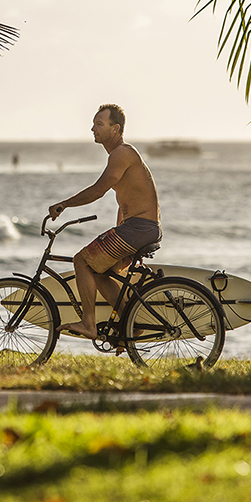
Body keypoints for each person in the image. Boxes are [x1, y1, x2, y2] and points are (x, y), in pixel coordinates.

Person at [48, 104, 162, 339]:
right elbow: (124, 202)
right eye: (93, 124)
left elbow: (99, 190)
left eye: (99, 124)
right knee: (99, 271)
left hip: (139, 229)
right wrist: (117, 230)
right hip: (140, 229)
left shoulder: (122, 153)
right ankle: (131, 323)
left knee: (81, 261)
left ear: (116, 128)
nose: (93, 129)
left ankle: (89, 324)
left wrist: (64, 204)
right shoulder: (119, 155)